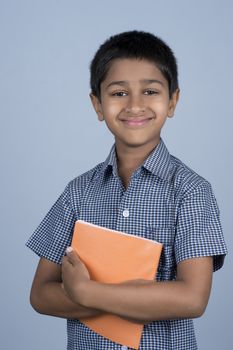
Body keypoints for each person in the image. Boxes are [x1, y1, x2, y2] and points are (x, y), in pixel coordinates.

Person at [26, 30, 227, 350]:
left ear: (173, 100)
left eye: (150, 91)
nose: (135, 105)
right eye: (119, 93)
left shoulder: (190, 191)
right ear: (97, 104)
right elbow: (40, 294)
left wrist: (87, 292)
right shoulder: (77, 193)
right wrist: (140, 298)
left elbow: (192, 298)